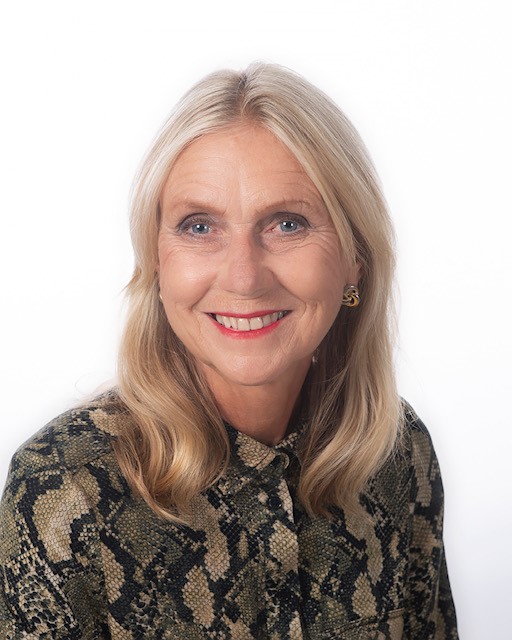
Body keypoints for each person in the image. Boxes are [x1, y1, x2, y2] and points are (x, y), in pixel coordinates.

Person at [0, 63, 458, 639]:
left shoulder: (398, 453)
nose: (244, 277)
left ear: (354, 259)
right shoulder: (63, 490)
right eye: (199, 227)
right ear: (157, 263)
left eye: (287, 224)